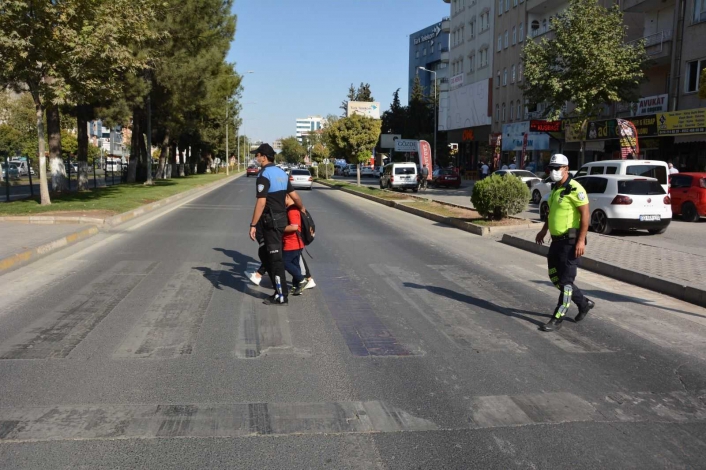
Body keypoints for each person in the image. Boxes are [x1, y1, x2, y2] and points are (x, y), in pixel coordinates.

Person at [535, 154, 595, 332]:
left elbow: (585, 215)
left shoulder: (576, 189)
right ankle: (583, 303)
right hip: (556, 242)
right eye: (551, 168)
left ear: (566, 168)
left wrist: (581, 240)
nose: (553, 171)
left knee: (566, 282)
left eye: (557, 168)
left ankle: (558, 317)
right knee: (555, 277)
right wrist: (544, 229)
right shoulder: (556, 189)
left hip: (570, 242)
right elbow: (552, 213)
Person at [249, 143, 306, 306]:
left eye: (257, 155)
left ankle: (282, 296)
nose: (256, 158)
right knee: (265, 254)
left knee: (275, 260)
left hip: (271, 223)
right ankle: (278, 290)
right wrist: (302, 208)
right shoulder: (281, 173)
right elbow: (294, 196)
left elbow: (261, 202)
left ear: (264, 157)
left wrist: (253, 224)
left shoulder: (264, 175)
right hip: (281, 221)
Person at [282, 194, 310, 295]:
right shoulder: (293, 208)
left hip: (292, 242)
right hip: (296, 242)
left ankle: (302, 280)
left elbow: (294, 227)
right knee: (295, 264)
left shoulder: (292, 210)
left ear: (287, 197)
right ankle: (296, 286)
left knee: (284, 262)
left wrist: (280, 229)